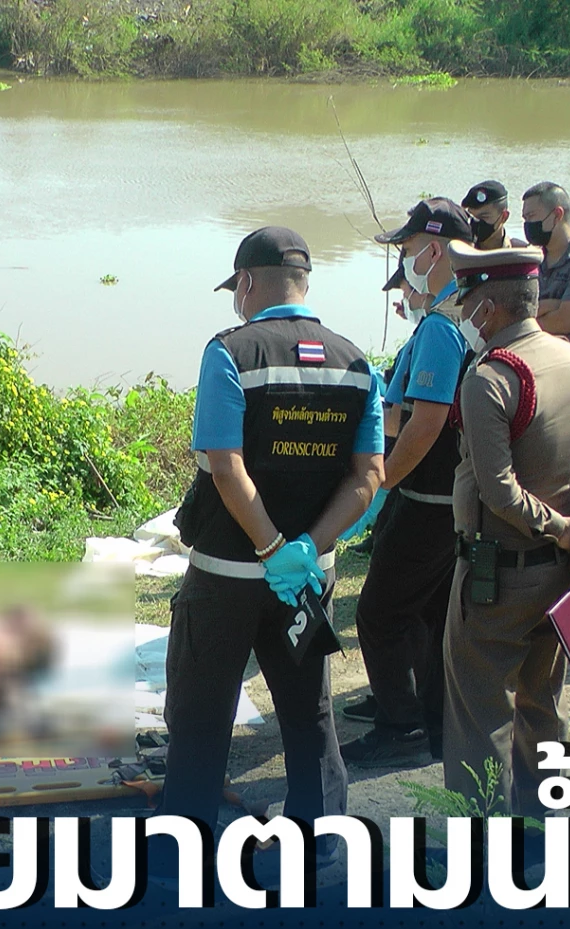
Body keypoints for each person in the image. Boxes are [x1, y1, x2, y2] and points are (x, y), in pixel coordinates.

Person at [163, 226, 384, 862]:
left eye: (236, 288)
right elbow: (369, 475)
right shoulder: (355, 362)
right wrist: (305, 550)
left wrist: (268, 548)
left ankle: (184, 849)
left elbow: (225, 466)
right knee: (308, 710)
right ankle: (320, 839)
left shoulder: (230, 353)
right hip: (308, 580)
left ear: (248, 283)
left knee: (201, 715)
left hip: (226, 575)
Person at [441, 241, 570, 820]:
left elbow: (499, 491)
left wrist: (567, 528)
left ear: (488, 307)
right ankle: (544, 828)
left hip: (495, 577)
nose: (464, 314)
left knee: (479, 717)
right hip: (560, 576)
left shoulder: (491, 378)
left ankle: (479, 843)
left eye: (466, 303)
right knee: (543, 706)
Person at [341, 198, 476, 768]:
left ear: (434, 250)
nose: (404, 261)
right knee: (427, 614)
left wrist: (380, 482)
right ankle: (427, 714)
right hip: (451, 497)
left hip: (427, 499)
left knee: (380, 613)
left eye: (408, 248)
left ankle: (401, 725)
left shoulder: (444, 327)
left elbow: (427, 422)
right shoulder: (466, 311)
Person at [521, 181, 570, 345]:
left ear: (557, 215)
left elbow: (565, 322)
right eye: (525, 218)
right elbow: (514, 313)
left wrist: (525, 321)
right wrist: (552, 305)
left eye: (532, 216)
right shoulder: (531, 258)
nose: (527, 224)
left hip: (566, 354)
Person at [463, 180, 518, 250]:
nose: (476, 221)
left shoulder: (520, 252)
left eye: (483, 217)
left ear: (504, 217)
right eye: (471, 216)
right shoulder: (459, 251)